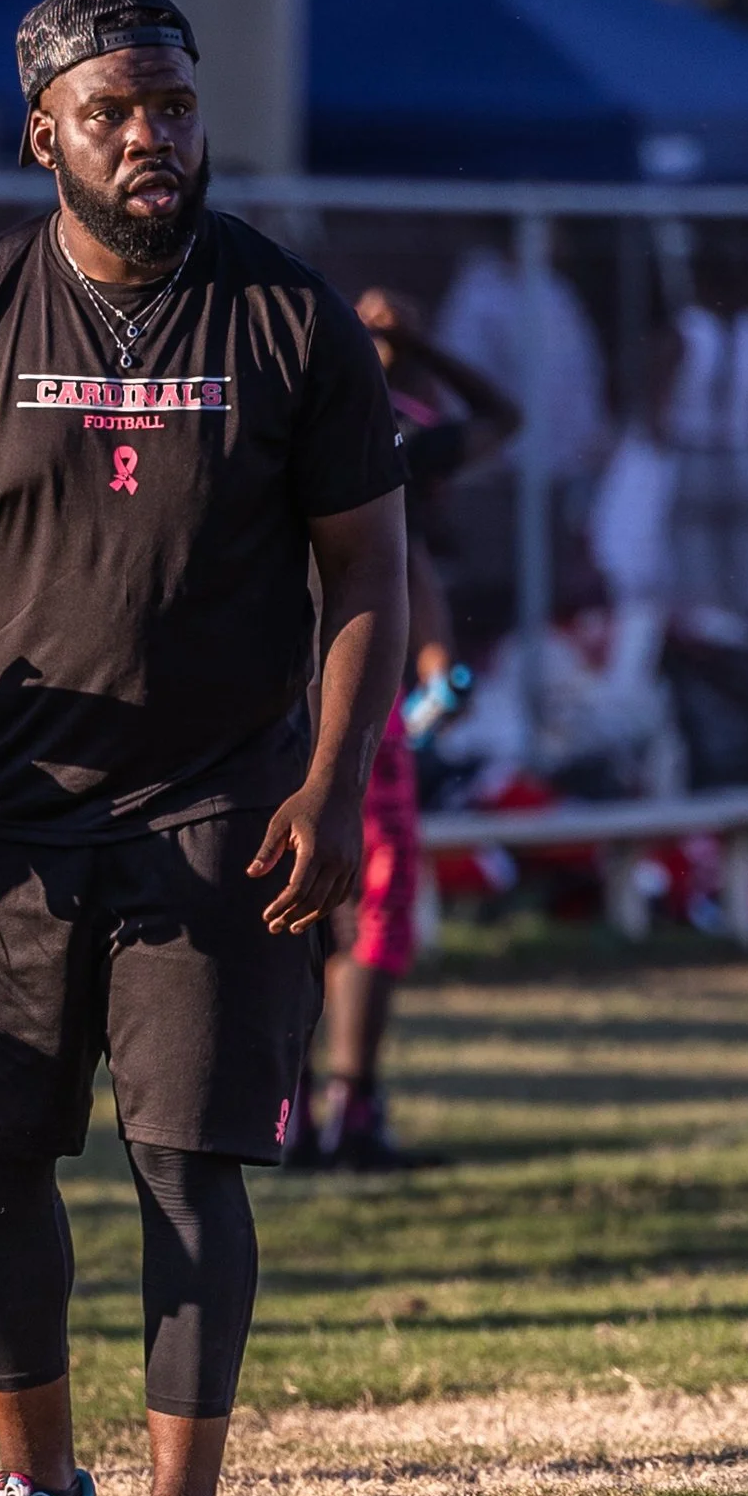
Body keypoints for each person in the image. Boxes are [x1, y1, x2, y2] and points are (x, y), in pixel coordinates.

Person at [0, 0, 409, 1496]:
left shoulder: (288, 321)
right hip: (8, 813)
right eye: (115, 113)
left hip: (217, 813)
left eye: (172, 105)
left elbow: (370, 564)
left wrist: (335, 776)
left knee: (187, 1160)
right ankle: (42, 1495)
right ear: (46, 137)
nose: (154, 138)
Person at [289, 288, 519, 1172]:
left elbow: (501, 422)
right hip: (320, 699)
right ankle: (327, 1112)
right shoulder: (307, 423)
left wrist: (413, 345)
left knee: (350, 910)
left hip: (346, 703)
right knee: (336, 908)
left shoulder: (401, 435)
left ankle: (334, 1111)